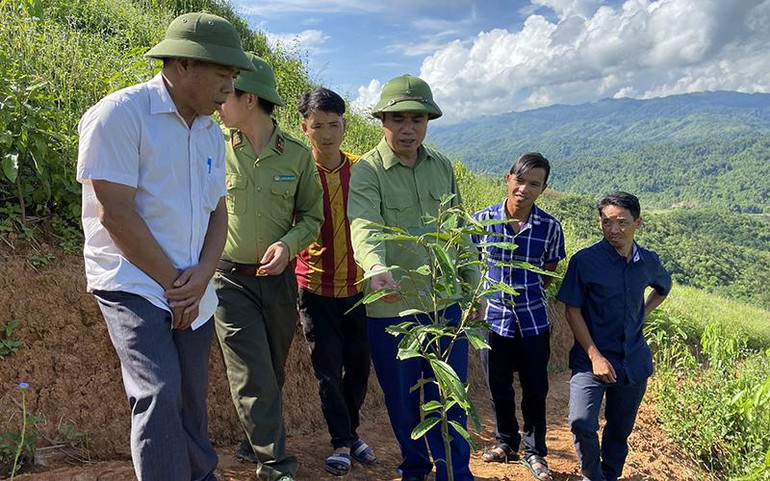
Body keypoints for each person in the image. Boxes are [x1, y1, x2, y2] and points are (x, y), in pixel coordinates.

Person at [76, 12, 254, 481]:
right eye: (221, 72)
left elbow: (219, 213)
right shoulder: (119, 114)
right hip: (133, 279)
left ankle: (200, 474)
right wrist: (175, 284)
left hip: (192, 285)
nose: (228, 86)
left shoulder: (212, 132)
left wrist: (201, 276)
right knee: (158, 389)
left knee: (192, 395)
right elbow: (115, 213)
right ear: (179, 66)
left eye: (233, 76)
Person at [347, 74, 483, 481]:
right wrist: (375, 267)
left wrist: (472, 283)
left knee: (451, 397)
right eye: (398, 119)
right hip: (393, 308)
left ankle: (454, 473)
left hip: (445, 305)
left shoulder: (441, 166)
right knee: (403, 401)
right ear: (383, 121)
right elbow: (365, 224)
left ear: (428, 121)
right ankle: (415, 465)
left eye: (417, 119)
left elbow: (458, 229)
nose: (408, 129)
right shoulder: (368, 171)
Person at [213, 52, 324, 481]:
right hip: (228, 280)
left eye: (228, 94)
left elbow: (313, 218)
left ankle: (250, 441)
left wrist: (287, 243)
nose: (220, 101)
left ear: (251, 99)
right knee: (253, 375)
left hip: (277, 283)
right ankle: (277, 468)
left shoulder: (296, 157)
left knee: (272, 370)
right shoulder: (213, 146)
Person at [556, 191, 672, 481]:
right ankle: (593, 476)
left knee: (619, 430)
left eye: (622, 222)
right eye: (607, 222)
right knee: (582, 422)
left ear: (638, 223)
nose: (614, 230)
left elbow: (663, 288)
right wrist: (595, 357)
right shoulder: (585, 261)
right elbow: (572, 310)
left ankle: (609, 475)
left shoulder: (648, 261)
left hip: (633, 360)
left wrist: (641, 314)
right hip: (590, 358)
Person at [294, 87, 376, 476]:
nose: (327, 134)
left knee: (359, 367)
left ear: (345, 126)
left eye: (335, 125)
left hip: (360, 288)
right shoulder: (297, 171)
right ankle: (342, 441)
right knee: (327, 369)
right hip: (314, 286)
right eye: (318, 126)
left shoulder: (362, 170)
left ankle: (352, 431)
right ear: (304, 127)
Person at [472, 153, 565, 480]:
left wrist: (527, 293)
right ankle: (506, 442)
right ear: (508, 178)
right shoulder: (481, 221)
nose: (525, 189)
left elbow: (548, 271)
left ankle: (535, 451)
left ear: (543, 188)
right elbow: (470, 266)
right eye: (520, 180)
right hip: (493, 321)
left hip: (534, 321)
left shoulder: (550, 228)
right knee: (498, 386)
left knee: (535, 388)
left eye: (534, 184)